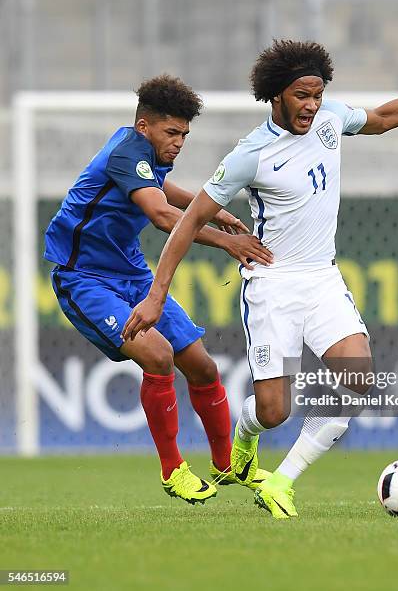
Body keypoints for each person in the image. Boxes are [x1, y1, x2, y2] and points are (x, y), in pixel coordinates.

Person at [122, 42, 398, 519]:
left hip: (322, 279)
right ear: (276, 95)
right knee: (274, 412)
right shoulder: (251, 154)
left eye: (317, 93)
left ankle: (282, 483)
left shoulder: (330, 119)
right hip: (273, 286)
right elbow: (188, 222)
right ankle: (246, 439)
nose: (312, 104)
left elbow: (384, 116)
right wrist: (156, 295)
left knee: (358, 378)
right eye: (302, 95)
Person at [44, 74, 273, 505]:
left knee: (203, 367)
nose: (180, 142)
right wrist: (226, 240)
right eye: (172, 132)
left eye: (185, 133)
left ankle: (225, 466)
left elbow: (158, 186)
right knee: (159, 355)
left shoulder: (140, 149)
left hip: (131, 273)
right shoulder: (126, 151)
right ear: (144, 125)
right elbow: (162, 217)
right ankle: (173, 471)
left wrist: (206, 209)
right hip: (84, 277)